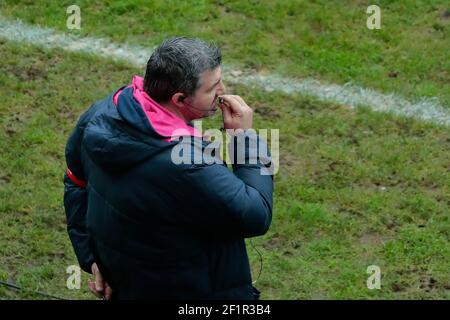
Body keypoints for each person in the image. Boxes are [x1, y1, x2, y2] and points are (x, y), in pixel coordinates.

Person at [63, 37, 274, 300]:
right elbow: (256, 213)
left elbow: (75, 182)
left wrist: (91, 257)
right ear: (180, 98)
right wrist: (245, 139)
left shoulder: (104, 112)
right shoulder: (186, 163)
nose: (223, 90)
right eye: (212, 88)